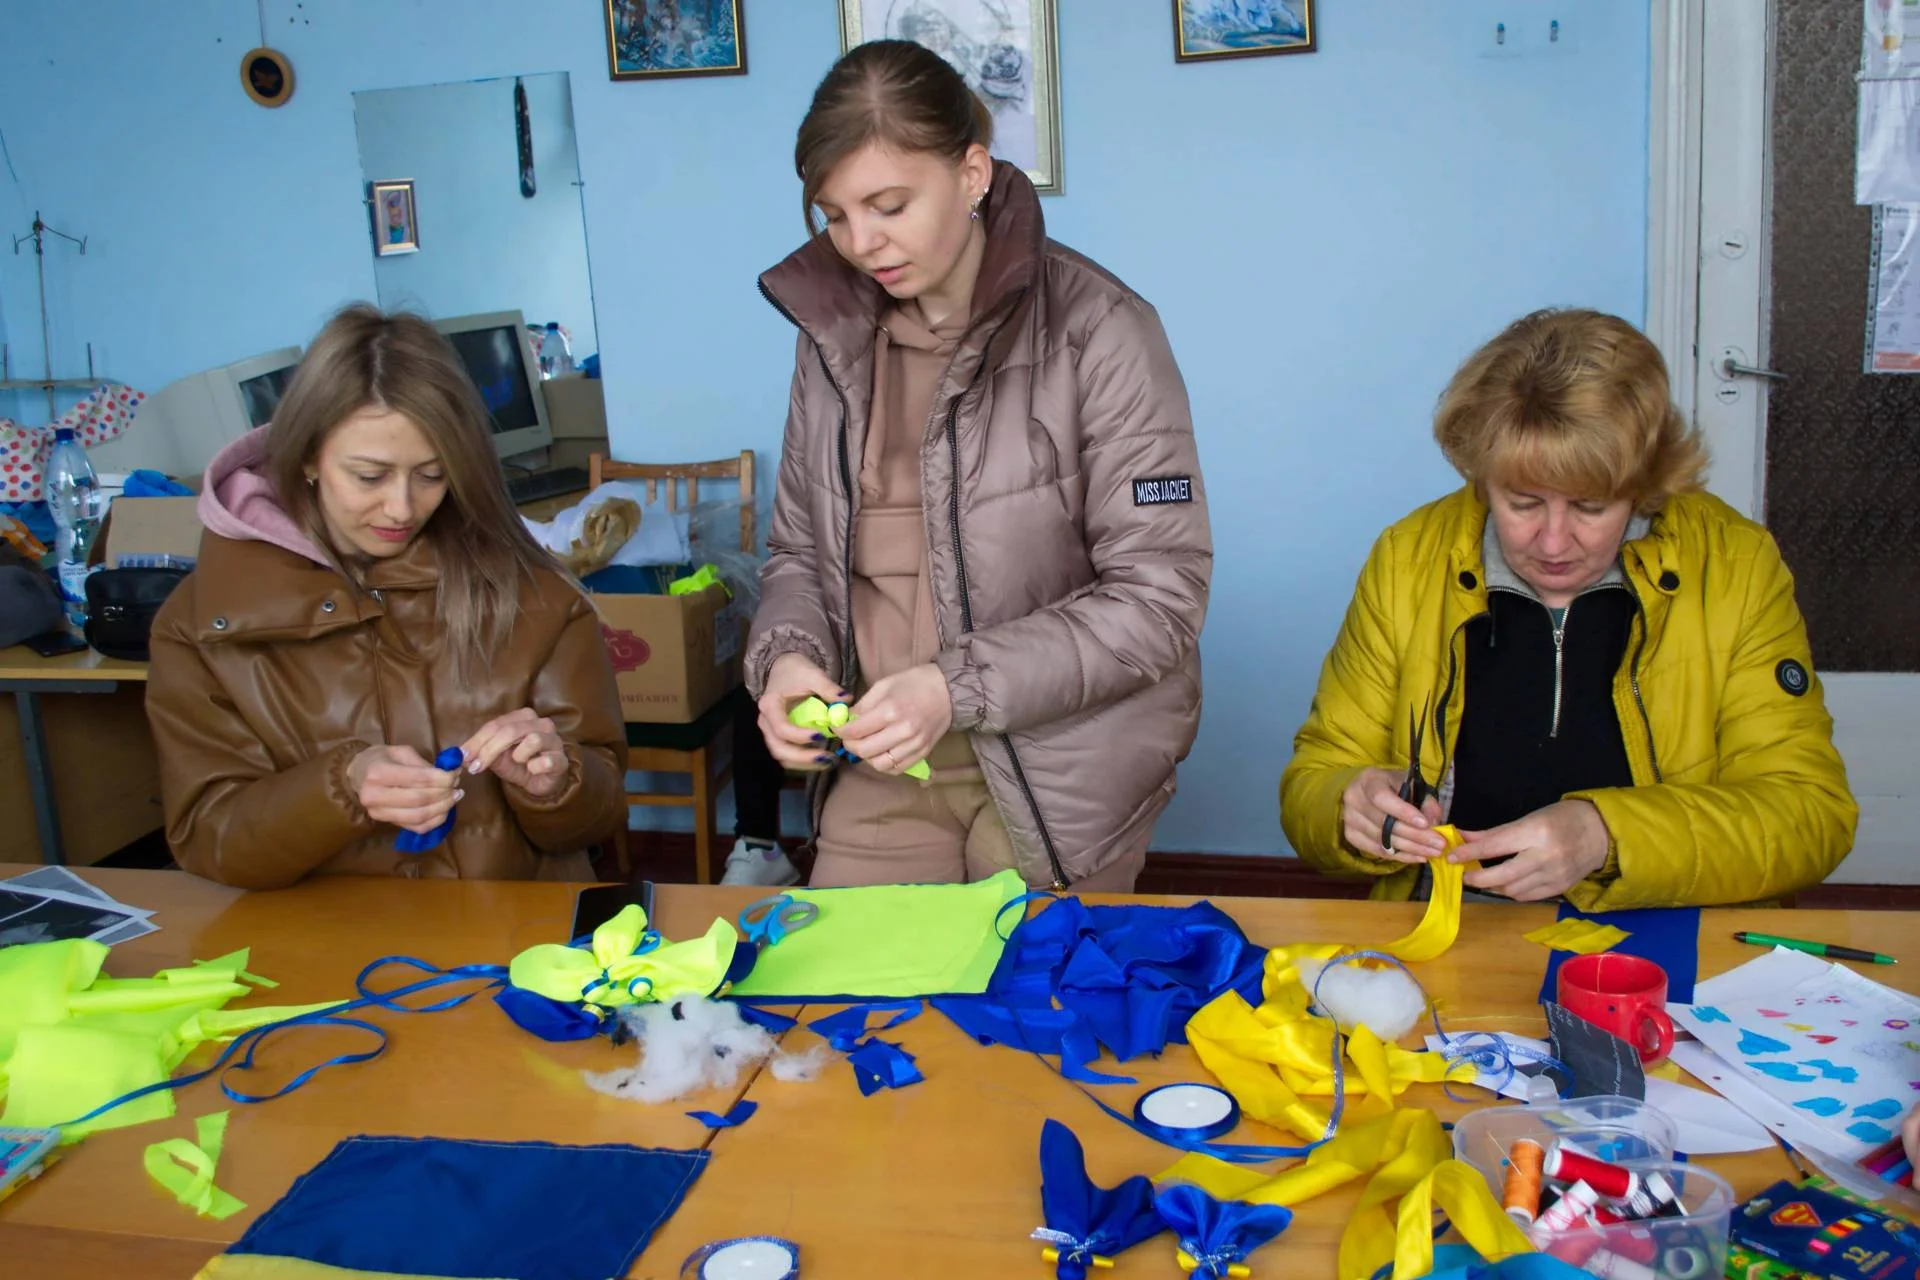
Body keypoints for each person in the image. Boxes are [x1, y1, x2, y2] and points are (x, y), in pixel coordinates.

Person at [746, 40, 1211, 892]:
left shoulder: (1102, 330)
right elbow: (799, 557)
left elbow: (1159, 602)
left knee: (1024, 1012)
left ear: (971, 172)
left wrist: (950, 689)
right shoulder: (830, 344)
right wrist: (785, 660)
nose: (860, 243)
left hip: (1059, 773)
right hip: (886, 765)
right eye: (834, 214)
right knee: (846, 1004)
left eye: (888, 205)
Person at [1281, 308, 1855, 909]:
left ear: (1643, 484)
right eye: (1523, 502)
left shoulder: (1733, 565)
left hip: (1664, 931)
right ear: (1483, 477)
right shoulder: (1408, 559)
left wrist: (1605, 836)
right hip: (1449, 925)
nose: (1553, 543)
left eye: (1589, 507)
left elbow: (1809, 813)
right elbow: (1314, 782)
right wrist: (1348, 803)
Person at [147, 305, 628, 888]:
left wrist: (557, 782)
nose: (402, 509)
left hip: (515, 953)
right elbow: (208, 839)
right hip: (321, 959)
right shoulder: (202, 624)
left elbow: (596, 819)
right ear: (305, 459)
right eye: (370, 477)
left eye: (431, 475)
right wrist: (340, 788)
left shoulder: (539, 598)